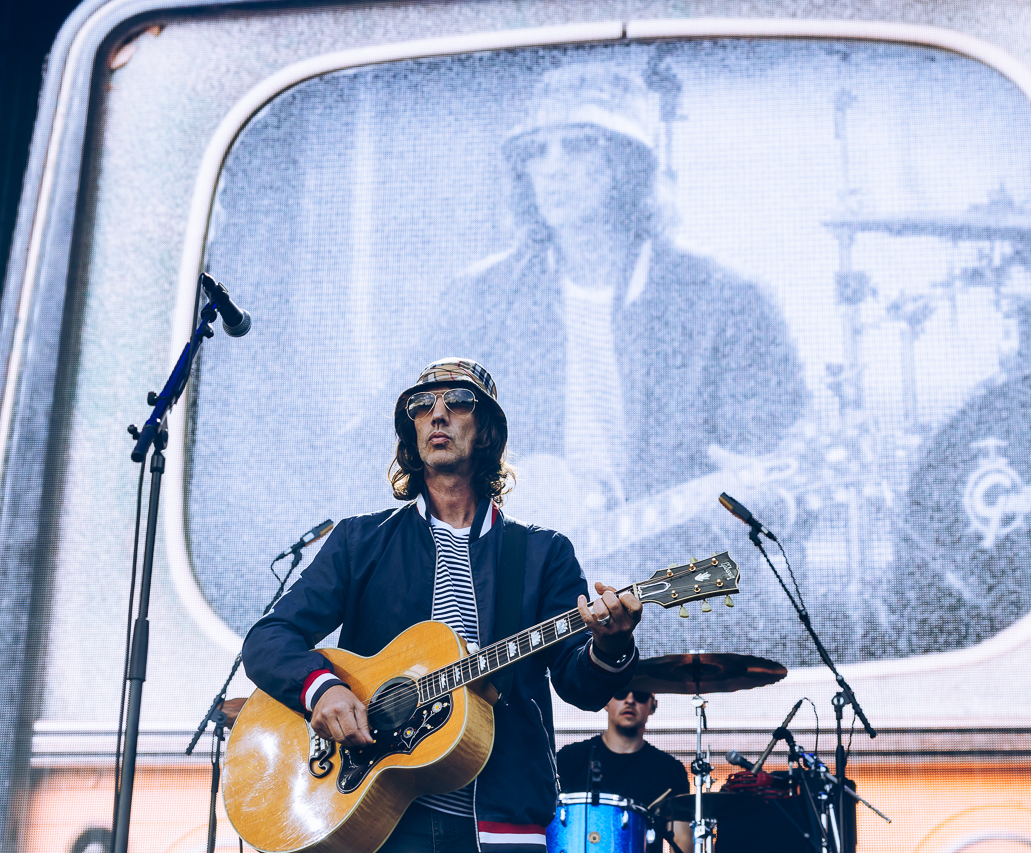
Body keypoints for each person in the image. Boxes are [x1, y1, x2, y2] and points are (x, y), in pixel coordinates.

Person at [241, 357, 644, 853]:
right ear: (410, 431)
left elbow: (580, 686)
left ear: (487, 431)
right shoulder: (360, 542)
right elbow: (268, 639)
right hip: (378, 810)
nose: (437, 414)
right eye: (421, 405)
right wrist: (321, 690)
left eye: (458, 402)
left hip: (501, 819)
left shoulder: (542, 553)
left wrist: (611, 645)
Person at [442, 63, 805, 532]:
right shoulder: (479, 300)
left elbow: (781, 461)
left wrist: (754, 497)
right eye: (537, 150)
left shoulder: (727, 302)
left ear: (627, 163)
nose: (552, 167)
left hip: (679, 563)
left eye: (578, 145)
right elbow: (400, 440)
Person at [556, 688, 693, 853]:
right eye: (621, 693)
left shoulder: (670, 770)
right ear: (606, 701)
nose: (630, 700)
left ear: (653, 706)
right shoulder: (569, 759)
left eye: (640, 695)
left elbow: (681, 839)